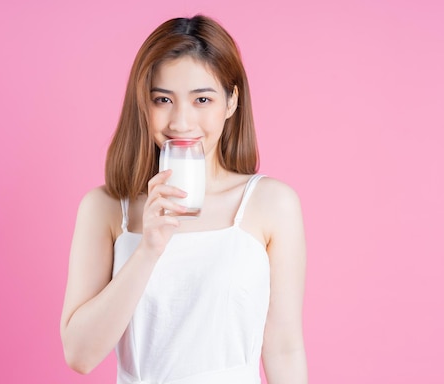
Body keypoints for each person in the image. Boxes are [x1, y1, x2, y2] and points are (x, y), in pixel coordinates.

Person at [60, 15, 308, 384]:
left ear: (231, 101)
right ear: (142, 104)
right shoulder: (106, 208)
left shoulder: (271, 204)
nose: (181, 121)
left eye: (202, 99)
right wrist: (148, 249)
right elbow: (80, 355)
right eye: (163, 99)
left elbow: (283, 348)